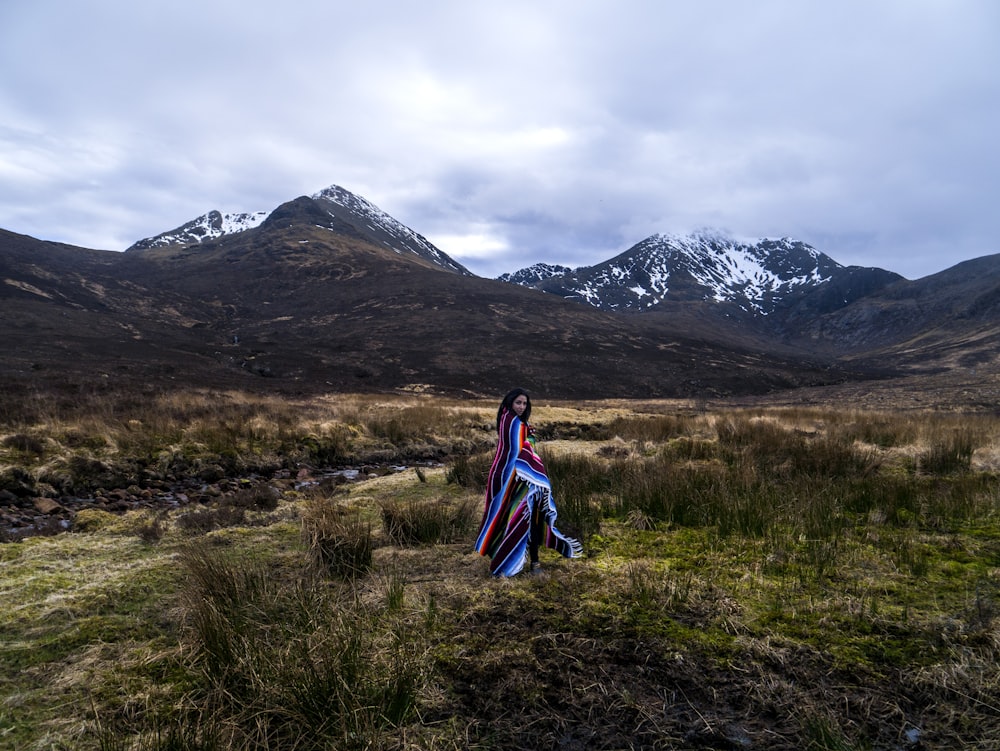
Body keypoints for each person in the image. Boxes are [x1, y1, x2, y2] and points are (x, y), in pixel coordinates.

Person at [474, 388, 583, 577]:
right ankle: (517, 562)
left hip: (522, 478)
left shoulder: (516, 422)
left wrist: (528, 437)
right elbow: (518, 449)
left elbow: (523, 448)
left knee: (529, 515)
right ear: (509, 403)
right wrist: (530, 438)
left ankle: (530, 562)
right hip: (507, 477)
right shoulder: (510, 422)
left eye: (524, 403)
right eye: (518, 403)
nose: (521, 407)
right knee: (516, 517)